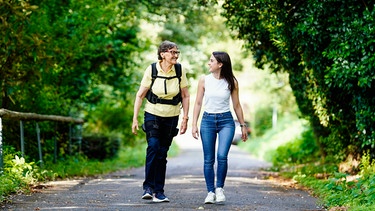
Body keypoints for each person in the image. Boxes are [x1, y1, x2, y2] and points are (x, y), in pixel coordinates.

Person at [132, 40, 190, 203]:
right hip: (152, 113)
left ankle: (159, 191)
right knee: (153, 147)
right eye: (172, 52)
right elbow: (140, 95)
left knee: (162, 153)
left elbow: (185, 95)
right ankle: (148, 188)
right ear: (162, 54)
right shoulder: (152, 69)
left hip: (171, 116)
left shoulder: (180, 70)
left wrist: (185, 118)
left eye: (177, 52)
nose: (175, 55)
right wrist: (135, 118)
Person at [192, 51, 248, 204]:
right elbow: (197, 103)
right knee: (208, 159)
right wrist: (193, 124)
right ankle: (210, 192)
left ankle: (219, 189)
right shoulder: (204, 80)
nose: (209, 63)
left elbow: (236, 105)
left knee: (222, 156)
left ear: (220, 64)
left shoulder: (232, 82)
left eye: (211, 61)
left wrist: (243, 125)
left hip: (226, 122)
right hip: (207, 121)